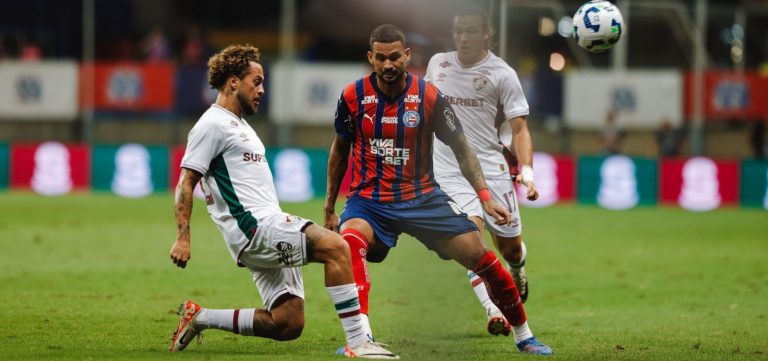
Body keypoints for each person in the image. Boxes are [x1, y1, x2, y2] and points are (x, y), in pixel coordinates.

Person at [324, 25, 552, 355]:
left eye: (394, 57)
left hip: (422, 199)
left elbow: (462, 149)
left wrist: (484, 196)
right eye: (381, 58)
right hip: (369, 201)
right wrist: (330, 207)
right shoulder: (352, 97)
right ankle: (360, 340)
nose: (388, 65)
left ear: (406, 56)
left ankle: (524, 335)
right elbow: (339, 151)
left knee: (483, 257)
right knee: (350, 243)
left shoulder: (429, 97)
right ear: (370, 58)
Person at [168, 44, 397, 359]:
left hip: (263, 226)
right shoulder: (212, 125)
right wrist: (183, 237)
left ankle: (201, 317)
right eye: (257, 81)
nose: (262, 89)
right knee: (338, 246)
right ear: (233, 82)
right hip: (255, 228)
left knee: (287, 323)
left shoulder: (241, 127)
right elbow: (185, 182)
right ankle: (359, 343)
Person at [423, 6, 539, 337]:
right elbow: (425, 109)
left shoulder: (503, 74)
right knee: (470, 242)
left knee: (510, 250)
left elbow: (519, 129)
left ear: (487, 33)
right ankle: (494, 308)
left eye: (471, 31)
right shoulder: (438, 64)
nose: (462, 38)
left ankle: (517, 271)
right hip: (449, 172)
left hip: (492, 169)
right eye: (458, 31)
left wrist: (527, 171)